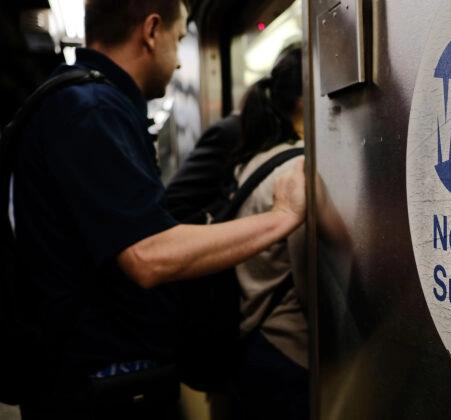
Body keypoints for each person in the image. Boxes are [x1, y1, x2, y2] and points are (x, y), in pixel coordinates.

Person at [11, 1, 305, 419]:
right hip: (102, 388)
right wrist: (281, 218)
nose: (180, 65)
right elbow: (147, 255)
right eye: (180, 38)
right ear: (151, 31)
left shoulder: (89, 102)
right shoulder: (91, 109)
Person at [228, 45, 309, 420]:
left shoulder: (254, 162)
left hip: (252, 337)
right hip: (289, 349)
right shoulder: (298, 169)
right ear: (302, 99)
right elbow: (312, 281)